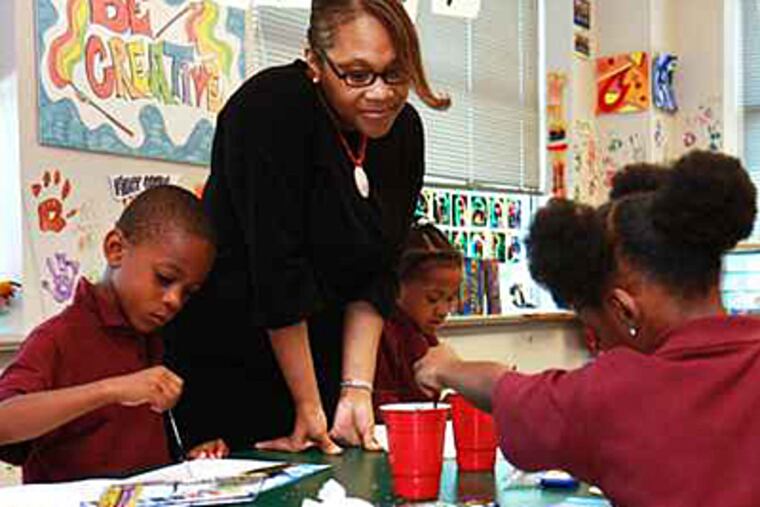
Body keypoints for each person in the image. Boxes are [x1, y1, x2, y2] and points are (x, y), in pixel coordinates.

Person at [163, 0, 449, 455]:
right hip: (235, 349)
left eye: (395, 74)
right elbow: (278, 271)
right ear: (314, 61)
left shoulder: (403, 133)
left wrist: (355, 388)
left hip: (325, 347)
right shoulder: (269, 109)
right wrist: (308, 404)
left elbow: (377, 270)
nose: (380, 93)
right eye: (357, 74)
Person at [414, 150, 760, 506]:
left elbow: (507, 390)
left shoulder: (616, 394)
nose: (600, 347)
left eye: (596, 330)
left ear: (624, 311)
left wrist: (444, 367)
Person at [0, 186, 223, 483]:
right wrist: (110, 390)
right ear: (116, 249)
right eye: (165, 279)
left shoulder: (152, 338)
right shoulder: (59, 338)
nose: (174, 301)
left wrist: (190, 463)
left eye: (188, 293)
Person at [373, 222, 462, 416]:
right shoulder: (381, 334)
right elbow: (381, 407)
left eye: (450, 298)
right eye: (433, 299)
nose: (443, 310)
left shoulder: (425, 335)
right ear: (398, 288)